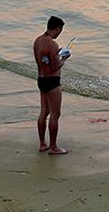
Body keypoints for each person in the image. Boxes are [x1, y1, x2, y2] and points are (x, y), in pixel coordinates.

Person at [33, 15, 70, 154]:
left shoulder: (37, 41)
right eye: (60, 30)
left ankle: (43, 144)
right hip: (52, 82)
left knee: (44, 112)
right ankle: (54, 147)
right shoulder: (52, 44)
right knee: (55, 114)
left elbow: (43, 60)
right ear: (58, 28)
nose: (60, 33)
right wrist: (64, 58)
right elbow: (55, 67)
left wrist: (55, 54)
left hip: (41, 79)